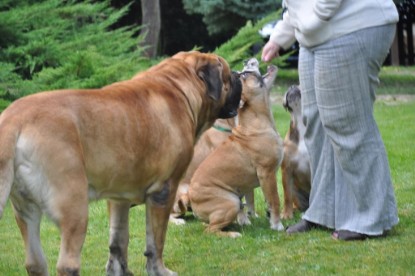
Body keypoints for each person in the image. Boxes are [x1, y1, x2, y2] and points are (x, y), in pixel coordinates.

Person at [262, 0, 399, 241]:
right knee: (315, 125)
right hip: (316, 35)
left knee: (348, 123)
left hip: (352, 25)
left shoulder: (317, 22)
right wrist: (280, 36)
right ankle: (324, 212)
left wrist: (309, 24)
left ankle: (372, 217)